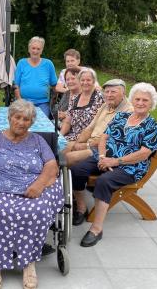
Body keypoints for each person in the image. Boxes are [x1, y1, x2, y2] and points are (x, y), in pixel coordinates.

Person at [0, 99, 63, 289]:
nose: (21, 122)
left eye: (26, 119)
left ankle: (29, 265)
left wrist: (39, 185)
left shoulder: (38, 140)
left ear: (31, 122)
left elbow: (52, 165)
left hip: (32, 189)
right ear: (10, 118)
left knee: (37, 211)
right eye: (17, 117)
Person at [72, 83, 157, 247]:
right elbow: (104, 138)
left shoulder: (152, 126)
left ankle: (96, 229)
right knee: (76, 169)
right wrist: (101, 156)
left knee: (104, 181)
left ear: (152, 103)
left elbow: (143, 153)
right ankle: (81, 207)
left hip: (131, 166)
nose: (140, 103)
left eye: (145, 100)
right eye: (138, 99)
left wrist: (115, 161)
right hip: (105, 157)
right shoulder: (121, 117)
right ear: (132, 100)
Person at [62, 79, 132, 225]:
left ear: (123, 93)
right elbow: (89, 128)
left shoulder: (128, 111)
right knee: (60, 150)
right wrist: (78, 142)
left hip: (105, 150)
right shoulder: (105, 106)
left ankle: (80, 204)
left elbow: (111, 139)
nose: (109, 95)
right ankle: (70, 193)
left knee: (67, 159)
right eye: (107, 91)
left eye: (114, 91)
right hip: (91, 143)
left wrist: (85, 145)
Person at [13, 37, 58, 118]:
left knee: (42, 123)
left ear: (41, 50)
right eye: (33, 48)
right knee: (22, 121)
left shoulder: (48, 64)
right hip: (23, 102)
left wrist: (55, 100)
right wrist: (20, 101)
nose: (35, 51)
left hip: (42, 103)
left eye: (38, 49)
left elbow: (54, 85)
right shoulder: (21, 63)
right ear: (29, 49)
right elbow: (16, 86)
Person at [59, 67, 104, 141]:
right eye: (82, 80)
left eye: (88, 80)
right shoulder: (75, 98)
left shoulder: (100, 97)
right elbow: (67, 122)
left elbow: (101, 123)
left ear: (94, 81)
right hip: (73, 135)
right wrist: (60, 136)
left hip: (90, 138)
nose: (85, 83)